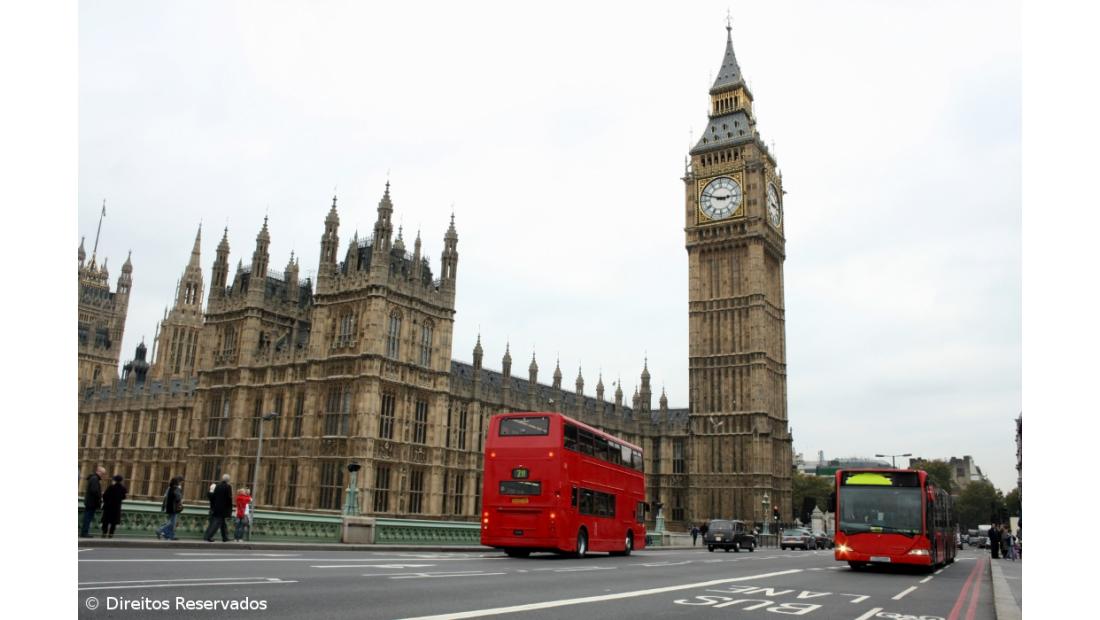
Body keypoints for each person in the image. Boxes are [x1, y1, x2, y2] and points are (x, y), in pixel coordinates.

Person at [203, 474, 234, 542]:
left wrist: (214, 506)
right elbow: (229, 499)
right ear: (228, 480)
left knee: (223, 524)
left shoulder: (218, 486)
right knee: (216, 523)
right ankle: (209, 536)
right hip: (223, 508)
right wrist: (230, 510)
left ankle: (225, 537)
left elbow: (214, 497)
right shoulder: (228, 487)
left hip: (216, 507)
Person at [80, 466, 106, 538]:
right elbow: (94, 491)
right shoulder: (95, 479)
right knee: (87, 518)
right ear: (98, 472)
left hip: (90, 502)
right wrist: (100, 495)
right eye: (102, 473)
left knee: (87, 517)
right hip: (91, 502)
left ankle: (84, 532)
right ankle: (84, 533)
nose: (103, 475)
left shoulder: (93, 478)